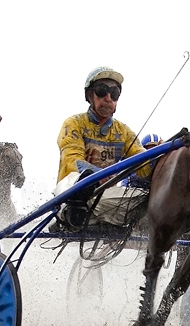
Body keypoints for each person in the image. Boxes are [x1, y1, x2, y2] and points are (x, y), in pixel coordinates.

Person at [55, 66, 152, 228]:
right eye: (101, 91)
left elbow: (143, 165)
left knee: (148, 197)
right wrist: (97, 175)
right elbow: (72, 161)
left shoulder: (124, 132)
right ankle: (71, 212)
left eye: (114, 94)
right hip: (71, 194)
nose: (108, 98)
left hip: (105, 200)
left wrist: (161, 162)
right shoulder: (73, 124)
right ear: (90, 95)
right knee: (77, 179)